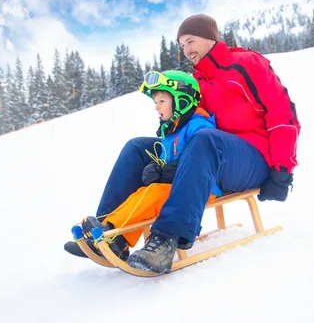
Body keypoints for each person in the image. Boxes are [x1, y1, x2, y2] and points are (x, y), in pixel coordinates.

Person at [72, 13, 300, 275]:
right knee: (138, 148)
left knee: (206, 140)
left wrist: (283, 170)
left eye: (190, 41)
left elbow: (284, 116)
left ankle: (166, 240)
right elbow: (184, 129)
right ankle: (109, 232)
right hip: (211, 156)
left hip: (254, 157)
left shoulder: (246, 64)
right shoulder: (198, 82)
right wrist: (167, 164)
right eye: (182, 45)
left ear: (210, 38)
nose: (187, 50)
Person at [64, 70, 222, 260]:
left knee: (151, 195)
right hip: (175, 186)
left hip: (200, 191)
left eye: (162, 101)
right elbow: (168, 159)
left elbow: (199, 159)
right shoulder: (171, 130)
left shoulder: (199, 126)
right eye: (155, 102)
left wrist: (166, 172)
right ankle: (114, 237)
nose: (156, 107)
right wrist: (156, 167)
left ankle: (112, 232)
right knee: (141, 194)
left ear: (182, 100)